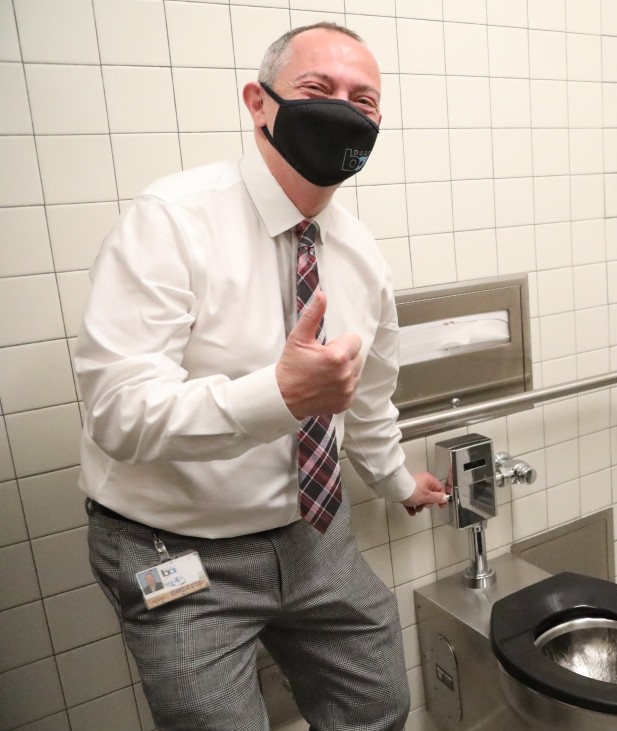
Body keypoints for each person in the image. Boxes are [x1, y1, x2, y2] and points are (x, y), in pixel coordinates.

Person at [74, 23, 445, 731]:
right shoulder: (171, 222)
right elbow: (116, 414)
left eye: (364, 100)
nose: (344, 108)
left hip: (310, 535)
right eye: (319, 90)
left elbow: (367, 396)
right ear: (258, 102)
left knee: (379, 703)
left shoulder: (361, 258)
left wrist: (397, 479)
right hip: (176, 546)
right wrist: (276, 397)